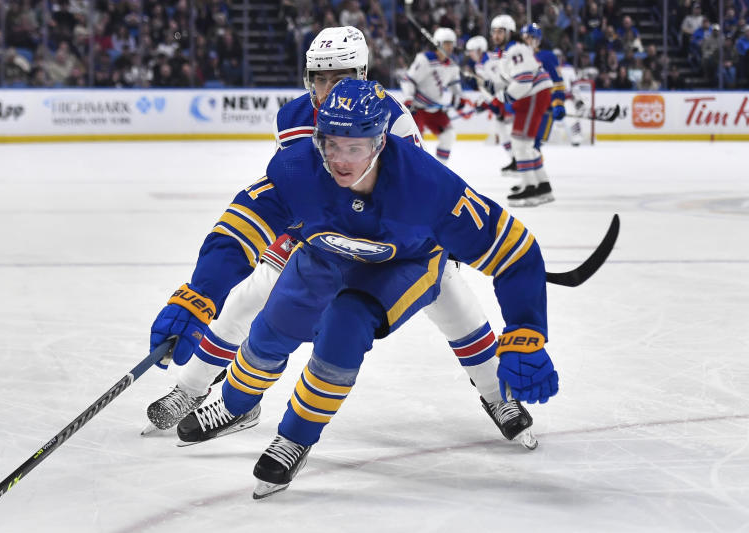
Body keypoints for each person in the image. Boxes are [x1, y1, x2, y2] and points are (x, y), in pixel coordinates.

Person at [159, 80, 558, 499]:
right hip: (325, 253)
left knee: (346, 325)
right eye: (332, 145)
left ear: (380, 142)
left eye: (355, 147)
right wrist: (200, 294)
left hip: (403, 264)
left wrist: (526, 330)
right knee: (272, 327)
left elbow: (516, 252)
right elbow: (237, 229)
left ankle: (296, 436)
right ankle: (237, 403)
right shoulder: (297, 168)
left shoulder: (429, 187)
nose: (341, 160)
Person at [489, 15, 555, 206]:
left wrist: (506, 97)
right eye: (494, 31)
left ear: (509, 32)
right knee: (525, 145)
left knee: (520, 143)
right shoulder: (507, 52)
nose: (496, 35)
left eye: (500, 31)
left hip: (533, 94)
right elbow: (510, 80)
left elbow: (524, 80)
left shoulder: (516, 49)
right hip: (533, 94)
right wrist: (492, 86)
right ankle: (542, 185)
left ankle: (530, 189)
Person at [399, 28, 468, 164]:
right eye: (446, 43)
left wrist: (459, 98)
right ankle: (414, 170)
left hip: (435, 110)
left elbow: (456, 87)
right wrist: (408, 99)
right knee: (415, 142)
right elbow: (408, 80)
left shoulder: (452, 65)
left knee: (448, 136)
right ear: (438, 44)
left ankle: (440, 169)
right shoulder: (425, 60)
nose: (449, 47)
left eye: (451, 43)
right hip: (417, 109)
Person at [464, 35, 516, 173]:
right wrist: (485, 102)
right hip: (499, 101)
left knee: (513, 131)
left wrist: (494, 101)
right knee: (502, 130)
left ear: (479, 50)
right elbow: (485, 88)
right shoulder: (479, 65)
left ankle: (522, 160)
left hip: (507, 100)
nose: (470, 55)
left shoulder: (491, 61)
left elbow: (500, 83)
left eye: (471, 51)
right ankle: (515, 160)